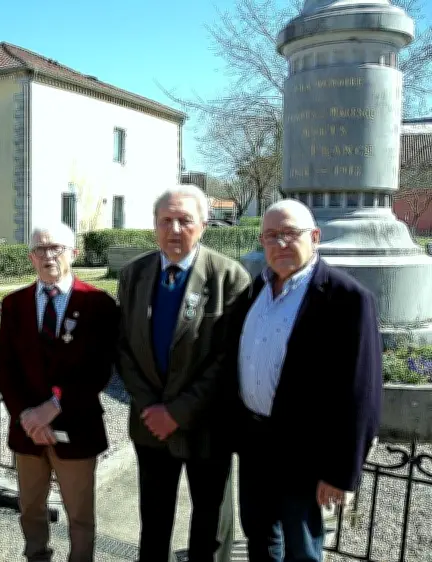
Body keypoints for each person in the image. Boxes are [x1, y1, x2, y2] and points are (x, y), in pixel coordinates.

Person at [228, 199, 382, 562]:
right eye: (270, 236)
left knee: (302, 549)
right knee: (260, 539)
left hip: (306, 453)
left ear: (315, 236)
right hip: (254, 445)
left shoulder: (347, 299)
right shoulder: (256, 292)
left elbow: (362, 394)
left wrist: (342, 472)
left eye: (289, 234)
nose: (279, 243)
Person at [116, 185, 249, 562]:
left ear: (203, 225)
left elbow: (228, 360)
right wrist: (151, 407)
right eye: (166, 220)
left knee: (211, 528)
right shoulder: (134, 275)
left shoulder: (230, 278)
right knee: (154, 523)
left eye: (185, 220)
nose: (174, 229)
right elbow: (123, 348)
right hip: (149, 424)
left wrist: (177, 412)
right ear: (155, 225)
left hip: (207, 426)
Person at [0, 223, 118, 562]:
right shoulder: (14, 304)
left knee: (79, 516)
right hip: (27, 431)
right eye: (40, 249)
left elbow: (100, 369)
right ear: (30, 257)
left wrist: (54, 406)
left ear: (73, 253)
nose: (48, 255)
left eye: (57, 248)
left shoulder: (97, 303)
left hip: (77, 427)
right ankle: (36, 556)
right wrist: (28, 417)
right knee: (30, 508)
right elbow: (7, 371)